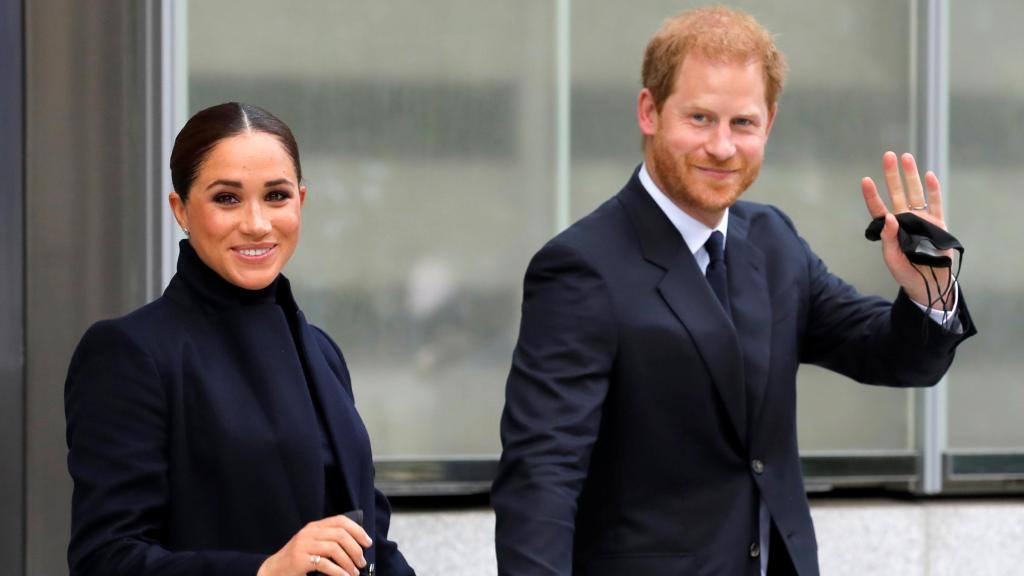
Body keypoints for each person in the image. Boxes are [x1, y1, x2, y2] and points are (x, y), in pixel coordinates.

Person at [492, 7, 975, 576]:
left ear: (768, 123)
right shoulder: (581, 267)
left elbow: (894, 357)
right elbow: (541, 477)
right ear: (650, 111)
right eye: (699, 118)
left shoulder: (773, 241)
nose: (722, 147)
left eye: (742, 123)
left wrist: (930, 289)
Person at [65, 102, 414, 576]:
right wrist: (266, 571)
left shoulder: (322, 352)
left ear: (301, 202)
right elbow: (106, 558)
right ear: (180, 209)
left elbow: (368, 540)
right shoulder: (129, 353)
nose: (256, 223)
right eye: (227, 198)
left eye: (276, 196)